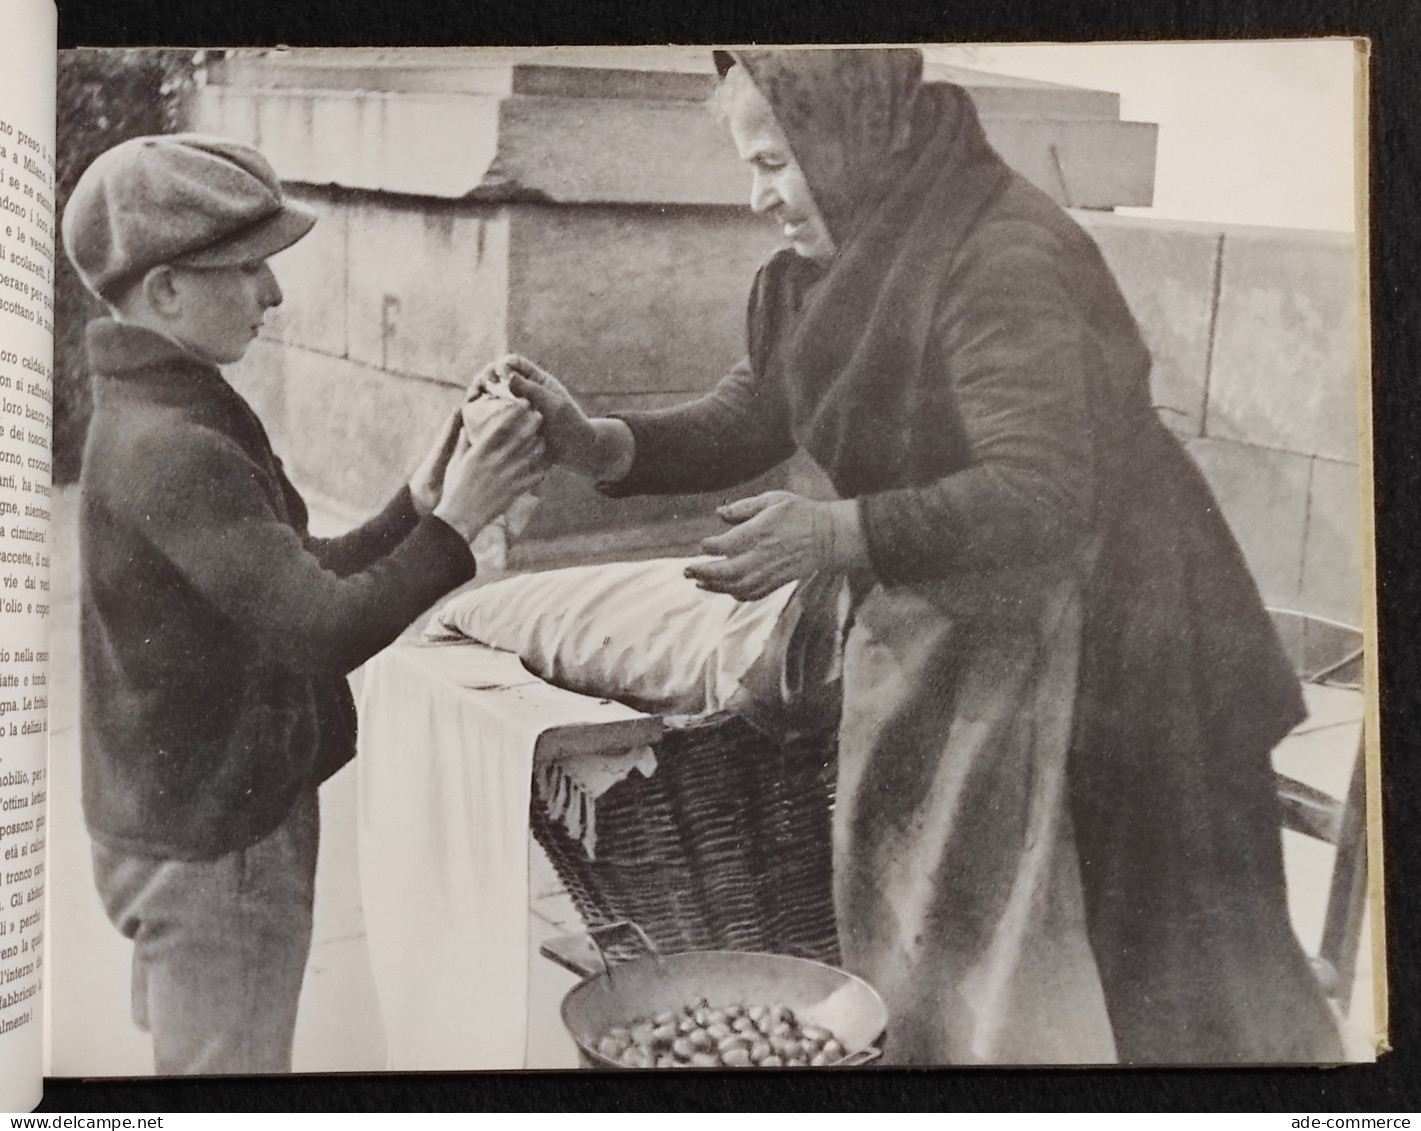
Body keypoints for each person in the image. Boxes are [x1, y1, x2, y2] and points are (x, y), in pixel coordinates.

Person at [500, 49, 1344, 1064]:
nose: (757, 194)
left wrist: (831, 532)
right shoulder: (846, 255)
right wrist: (605, 444)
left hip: (1126, 653)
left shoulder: (999, 256)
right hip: (994, 621)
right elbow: (762, 404)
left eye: (771, 162)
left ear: (839, 135)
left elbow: (1039, 491)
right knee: (969, 952)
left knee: (1153, 983)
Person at [61, 134, 544, 1074]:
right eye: (248, 270)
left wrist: (418, 501)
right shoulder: (175, 443)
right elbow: (322, 630)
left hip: (189, 832)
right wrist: (465, 521)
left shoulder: (169, 410)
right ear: (163, 291)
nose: (274, 296)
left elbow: (294, 581)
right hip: (214, 850)